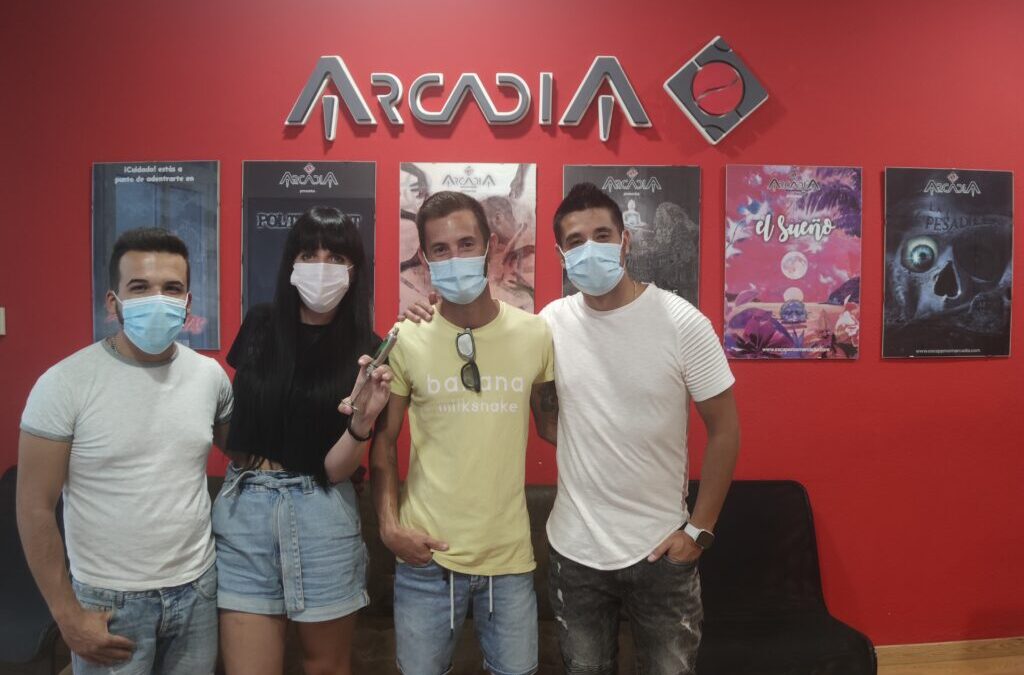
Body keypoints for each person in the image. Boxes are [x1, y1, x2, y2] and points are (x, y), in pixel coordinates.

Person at [403, 183, 740, 674]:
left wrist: (699, 531)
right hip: (575, 552)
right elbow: (542, 410)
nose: (590, 249)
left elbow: (725, 429)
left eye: (602, 235)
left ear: (625, 240)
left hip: (661, 550)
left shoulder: (681, 322)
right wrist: (428, 311)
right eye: (576, 241)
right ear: (561, 255)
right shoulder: (550, 325)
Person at [17, 227, 233, 674]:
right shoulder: (63, 384)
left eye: (171, 287)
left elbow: (247, 456)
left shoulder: (210, 376)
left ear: (188, 302)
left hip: (197, 591)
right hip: (108, 601)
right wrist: (67, 615)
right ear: (113, 302)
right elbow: (34, 506)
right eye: (140, 287)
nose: (158, 298)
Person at [371, 191, 556, 675]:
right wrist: (389, 527)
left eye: (466, 244)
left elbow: (556, 427)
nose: (455, 258)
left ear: (489, 245)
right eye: (441, 249)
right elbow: (383, 442)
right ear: (425, 258)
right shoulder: (406, 338)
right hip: (426, 560)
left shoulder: (535, 334)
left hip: (509, 560)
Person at [213, 206, 392, 675]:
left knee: (326, 666)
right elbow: (237, 424)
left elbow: (336, 470)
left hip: (322, 511)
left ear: (355, 269)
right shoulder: (260, 324)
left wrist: (362, 421)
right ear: (290, 263)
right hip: (246, 510)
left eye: (336, 257)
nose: (320, 267)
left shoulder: (369, 350)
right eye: (309, 254)